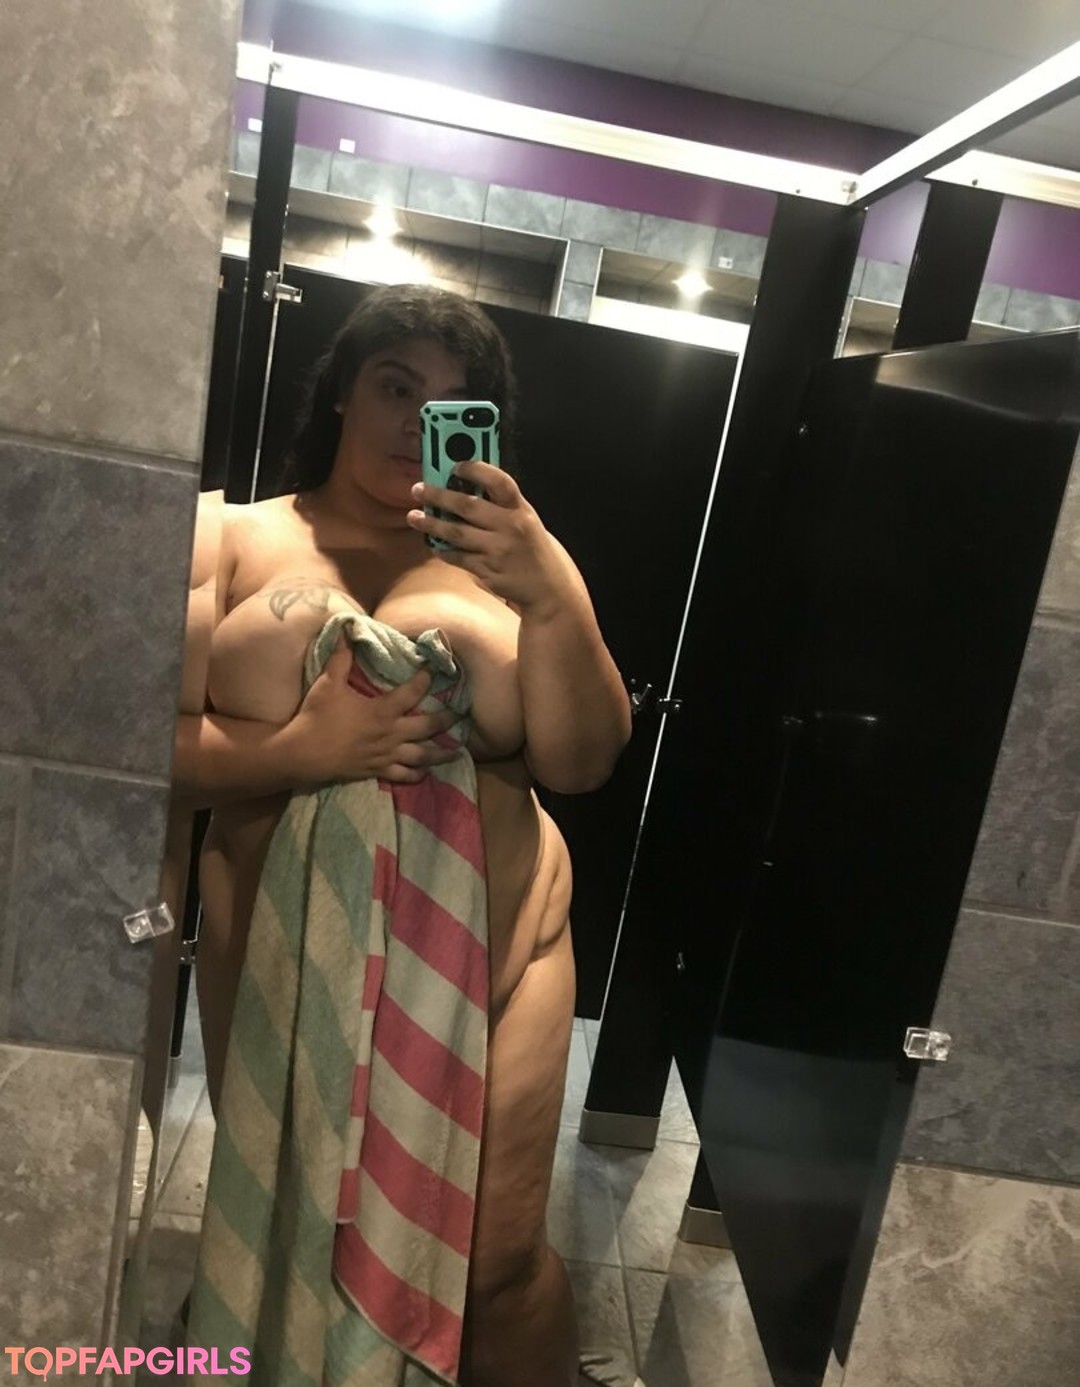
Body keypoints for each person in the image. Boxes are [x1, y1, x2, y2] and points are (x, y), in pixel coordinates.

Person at [172, 284, 632, 1387]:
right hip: (287, 954)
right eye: (394, 386)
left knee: (498, 1263)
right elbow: (140, 754)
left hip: (503, 950)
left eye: (450, 405)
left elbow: (582, 761)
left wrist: (556, 593)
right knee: (289, 1234)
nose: (413, 420)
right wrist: (304, 750)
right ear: (342, 390)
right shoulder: (228, 536)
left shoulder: (505, 568)